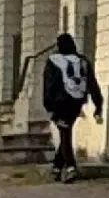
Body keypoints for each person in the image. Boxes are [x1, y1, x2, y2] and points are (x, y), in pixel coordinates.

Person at [37, 31, 101, 178]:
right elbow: (92, 83)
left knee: (65, 134)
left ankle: (70, 167)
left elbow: (49, 85)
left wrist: (48, 106)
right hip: (76, 103)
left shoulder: (53, 61)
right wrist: (98, 104)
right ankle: (57, 167)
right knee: (66, 131)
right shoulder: (83, 61)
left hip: (59, 104)